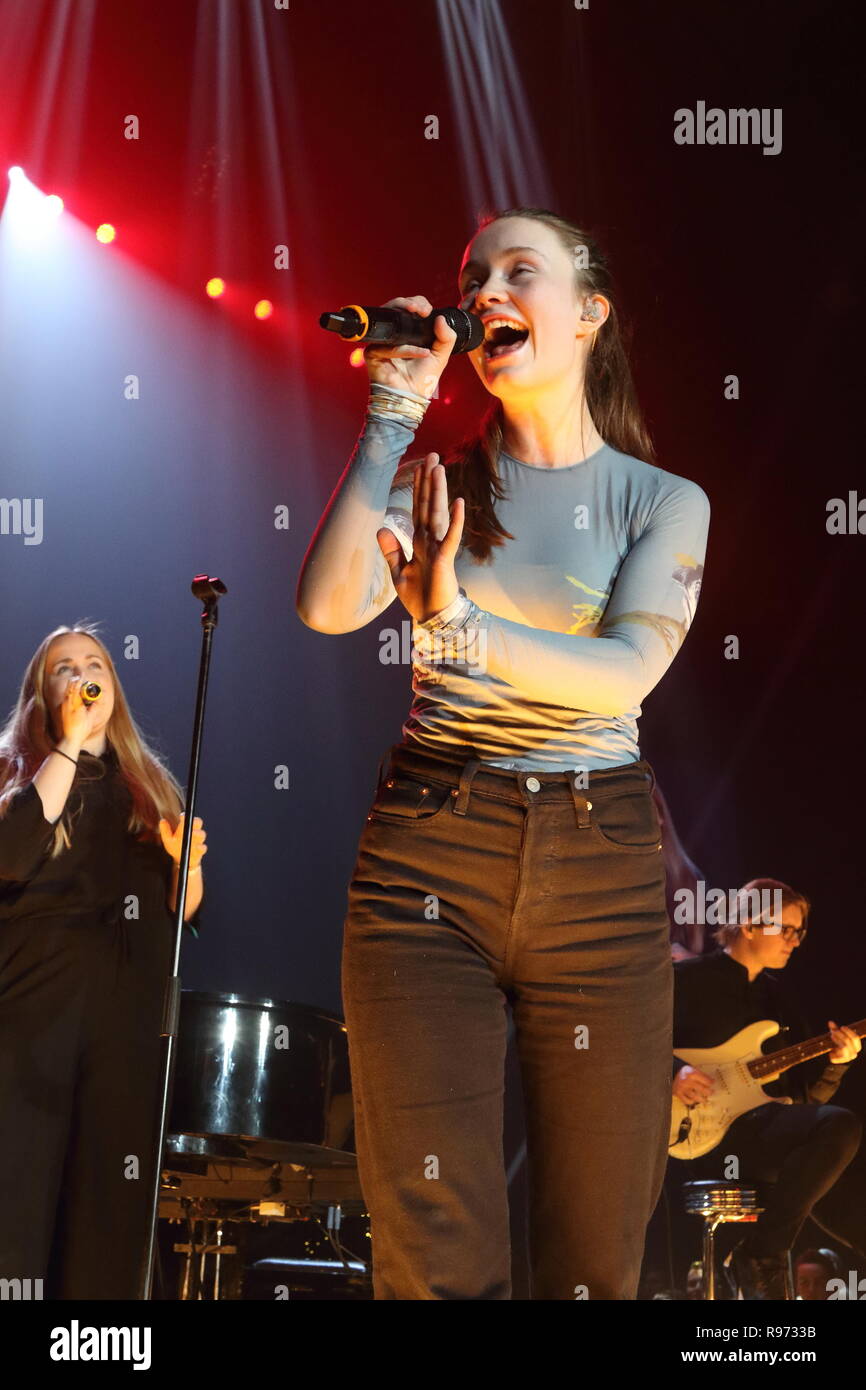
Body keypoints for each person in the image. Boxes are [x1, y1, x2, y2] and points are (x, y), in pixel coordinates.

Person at [297, 206, 711, 1299]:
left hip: (599, 859)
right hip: (430, 850)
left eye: (516, 272)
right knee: (432, 1247)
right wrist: (391, 412)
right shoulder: (439, 483)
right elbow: (326, 604)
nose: (484, 291)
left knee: (592, 1259)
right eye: (472, 276)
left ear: (587, 313)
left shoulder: (662, 502)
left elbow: (625, 671)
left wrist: (456, 628)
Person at [0, 624, 207, 1299]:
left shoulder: (146, 787)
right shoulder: (19, 779)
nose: (84, 675)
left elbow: (184, 916)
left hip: (121, 1031)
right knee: (19, 1214)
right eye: (65, 667)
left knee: (106, 1223)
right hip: (29, 1031)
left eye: (96, 665)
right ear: (40, 696)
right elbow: (13, 851)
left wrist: (188, 868)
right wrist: (67, 744)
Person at [671, 878, 862, 1299]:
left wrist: (835, 1065)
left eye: (800, 932)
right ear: (749, 924)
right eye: (786, 929)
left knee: (846, 1160)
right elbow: (627, 1042)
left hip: (768, 1139)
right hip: (707, 1140)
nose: (795, 941)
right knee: (839, 1134)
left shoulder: (783, 1004)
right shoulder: (685, 979)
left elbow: (806, 1105)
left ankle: (763, 1254)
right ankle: (761, 1253)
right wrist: (674, 1072)